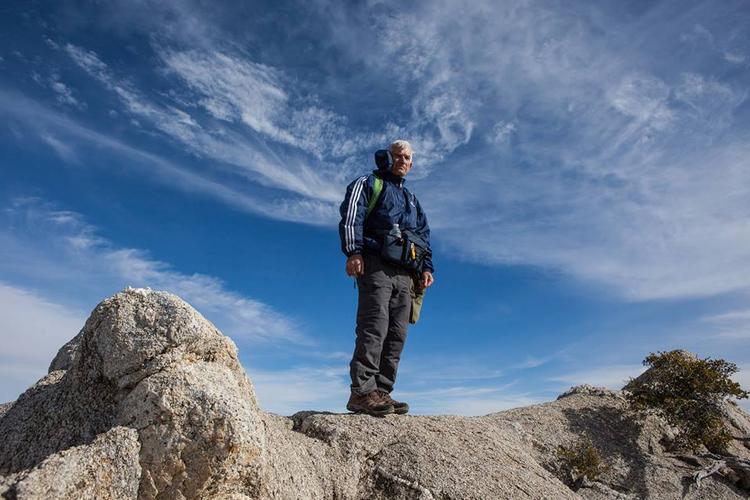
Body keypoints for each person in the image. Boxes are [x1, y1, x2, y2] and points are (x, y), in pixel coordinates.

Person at [338, 139, 435, 416]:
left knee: (397, 333)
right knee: (374, 325)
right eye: (398, 155)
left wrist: (426, 268)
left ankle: (381, 391)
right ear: (386, 157)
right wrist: (354, 251)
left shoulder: (412, 200)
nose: (402, 161)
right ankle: (361, 392)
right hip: (376, 264)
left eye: (407, 158)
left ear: (412, 164)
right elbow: (352, 216)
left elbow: (423, 236)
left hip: (406, 274)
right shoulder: (369, 183)